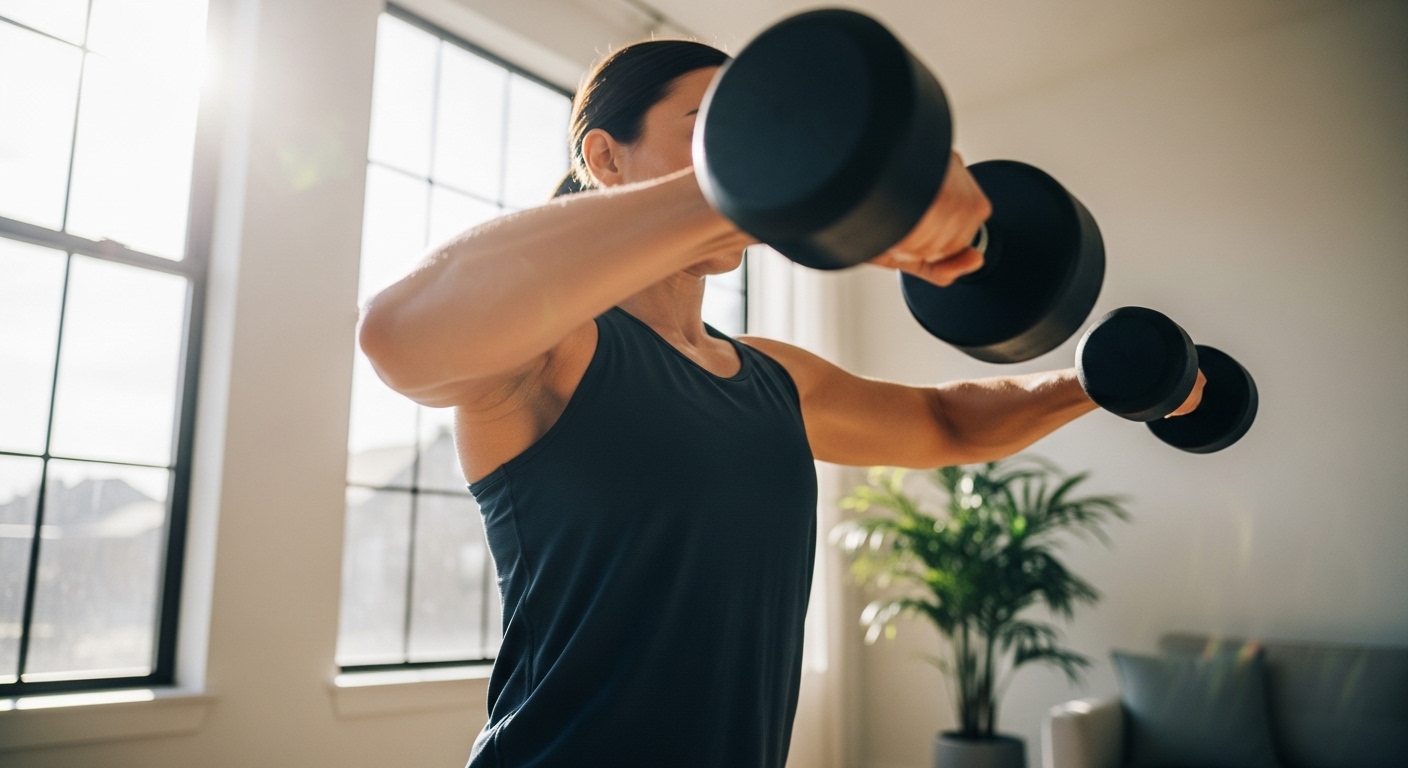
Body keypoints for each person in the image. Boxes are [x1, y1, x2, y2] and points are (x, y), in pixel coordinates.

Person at [359, 40, 1202, 768]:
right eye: (717, 131)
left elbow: (944, 421)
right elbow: (399, 333)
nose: (754, 148)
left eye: (756, 134)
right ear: (605, 158)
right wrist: (759, 184)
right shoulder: (554, 352)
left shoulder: (768, 373)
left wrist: (1104, 383)